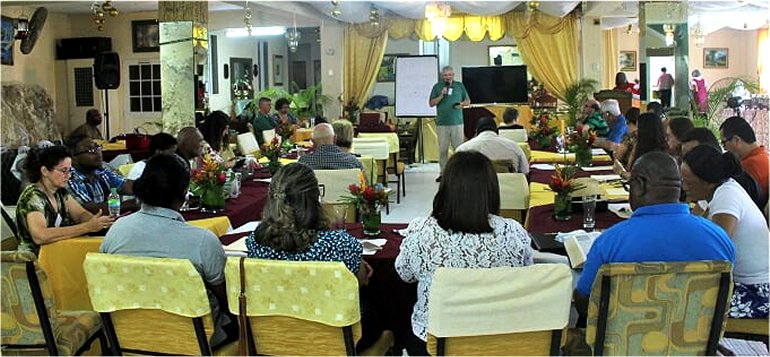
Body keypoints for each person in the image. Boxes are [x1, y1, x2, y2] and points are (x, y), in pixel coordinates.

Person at [395, 151, 534, 355]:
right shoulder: (513, 232)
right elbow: (525, 278)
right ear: (491, 190)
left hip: (434, 343)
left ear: (446, 187)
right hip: (496, 342)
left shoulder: (421, 230)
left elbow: (404, 274)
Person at [245, 163, 388, 352]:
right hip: (337, 337)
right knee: (382, 308)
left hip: (276, 334)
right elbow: (358, 283)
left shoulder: (255, 241)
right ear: (315, 198)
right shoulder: (341, 244)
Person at [574, 151, 736, 318]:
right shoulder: (719, 239)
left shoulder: (609, 243)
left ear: (640, 185)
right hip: (697, 342)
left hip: (621, 342)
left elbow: (585, 303)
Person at [101, 154, 236, 347]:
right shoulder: (202, 241)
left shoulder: (116, 232)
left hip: (130, 337)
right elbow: (227, 299)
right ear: (184, 192)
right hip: (193, 340)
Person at [681, 146, 769, 318]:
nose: (684, 187)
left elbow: (715, 251)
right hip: (741, 283)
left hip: (756, 292)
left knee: (685, 305)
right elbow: (689, 226)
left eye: (689, 183)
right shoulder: (714, 192)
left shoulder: (727, 196)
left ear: (708, 181)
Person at [15, 146, 114, 254]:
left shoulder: (60, 192)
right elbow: (40, 235)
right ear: (44, 171)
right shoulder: (33, 197)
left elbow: (80, 214)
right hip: (35, 259)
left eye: (69, 170)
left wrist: (96, 221)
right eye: (63, 171)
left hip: (59, 251)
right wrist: (87, 227)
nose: (68, 175)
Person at [680, 129, 763, 209]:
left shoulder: (729, 187)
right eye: (685, 156)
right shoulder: (701, 184)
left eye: (695, 155)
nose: (689, 159)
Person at [65, 135, 134, 214]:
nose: (98, 152)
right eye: (90, 150)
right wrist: (134, 204)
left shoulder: (101, 172)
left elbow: (128, 186)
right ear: (74, 157)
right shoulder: (69, 178)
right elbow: (90, 209)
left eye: (97, 147)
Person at [429, 66, 470, 181]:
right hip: (442, 123)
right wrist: (442, 95)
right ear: (443, 76)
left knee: (459, 149)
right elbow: (431, 103)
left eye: (449, 75)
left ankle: (460, 173)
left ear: (453, 75)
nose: (448, 77)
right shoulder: (437, 87)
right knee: (443, 150)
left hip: (457, 123)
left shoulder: (459, 86)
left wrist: (461, 104)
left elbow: (468, 101)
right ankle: (443, 173)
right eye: (445, 75)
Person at [720, 116, 769, 205]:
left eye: (724, 143)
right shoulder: (764, 157)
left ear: (736, 140)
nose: (725, 148)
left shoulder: (749, 165)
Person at [455, 117, 528, 174]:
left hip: (472, 191)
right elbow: (525, 171)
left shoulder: (463, 149)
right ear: (497, 131)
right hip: (510, 191)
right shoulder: (514, 146)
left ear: (476, 132)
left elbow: (455, 175)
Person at [614, 113, 667, 179]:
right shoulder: (639, 144)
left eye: (638, 128)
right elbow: (630, 169)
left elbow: (637, 178)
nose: (636, 132)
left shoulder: (659, 153)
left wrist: (621, 172)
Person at [297, 123, 363, 171]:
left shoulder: (304, 162)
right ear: (335, 138)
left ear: (313, 142)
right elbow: (364, 187)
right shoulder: (353, 162)